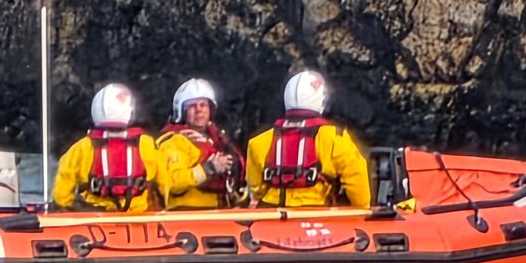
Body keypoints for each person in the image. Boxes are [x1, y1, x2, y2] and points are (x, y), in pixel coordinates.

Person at [245, 69, 372, 209]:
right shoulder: (335, 138)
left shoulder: (258, 142)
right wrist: (363, 209)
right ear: (322, 100)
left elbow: (256, 190)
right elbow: (359, 188)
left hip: (271, 213)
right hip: (316, 213)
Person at [53, 83, 165, 214]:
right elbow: (164, 182)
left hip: (96, 219)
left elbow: (61, 193)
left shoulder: (82, 147)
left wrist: (65, 206)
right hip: (138, 217)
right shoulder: (146, 144)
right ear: (130, 111)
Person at [157, 77, 247, 210]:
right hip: (186, 213)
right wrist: (208, 169)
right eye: (192, 105)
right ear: (182, 111)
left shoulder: (219, 140)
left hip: (220, 211)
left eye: (203, 105)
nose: (199, 109)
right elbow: (173, 183)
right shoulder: (173, 142)